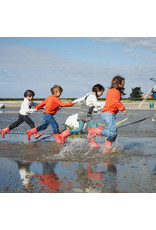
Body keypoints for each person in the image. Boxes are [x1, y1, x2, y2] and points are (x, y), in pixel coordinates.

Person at [88, 76, 127, 153]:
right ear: (118, 84)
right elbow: (116, 101)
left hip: (106, 113)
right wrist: (123, 109)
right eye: (122, 84)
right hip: (109, 114)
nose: (123, 85)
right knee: (113, 133)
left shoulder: (110, 90)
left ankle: (107, 149)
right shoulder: (116, 92)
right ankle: (93, 131)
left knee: (112, 134)